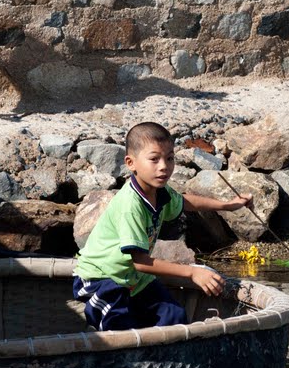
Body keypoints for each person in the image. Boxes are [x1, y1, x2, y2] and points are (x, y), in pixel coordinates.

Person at [73, 122, 253, 331]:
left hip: (134, 279)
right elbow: (140, 261)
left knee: (174, 316)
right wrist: (192, 272)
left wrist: (227, 205)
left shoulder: (161, 193)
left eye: (169, 158)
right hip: (101, 278)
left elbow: (185, 202)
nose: (164, 166)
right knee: (118, 325)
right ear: (131, 163)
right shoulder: (130, 206)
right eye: (154, 159)